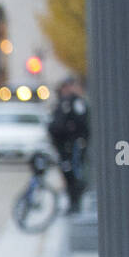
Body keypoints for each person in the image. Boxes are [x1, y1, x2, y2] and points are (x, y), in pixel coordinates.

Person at [48, 77, 89, 214]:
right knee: (67, 173)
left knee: (73, 173)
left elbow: (81, 122)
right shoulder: (62, 102)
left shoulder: (76, 102)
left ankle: (75, 203)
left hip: (72, 145)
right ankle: (72, 202)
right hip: (63, 145)